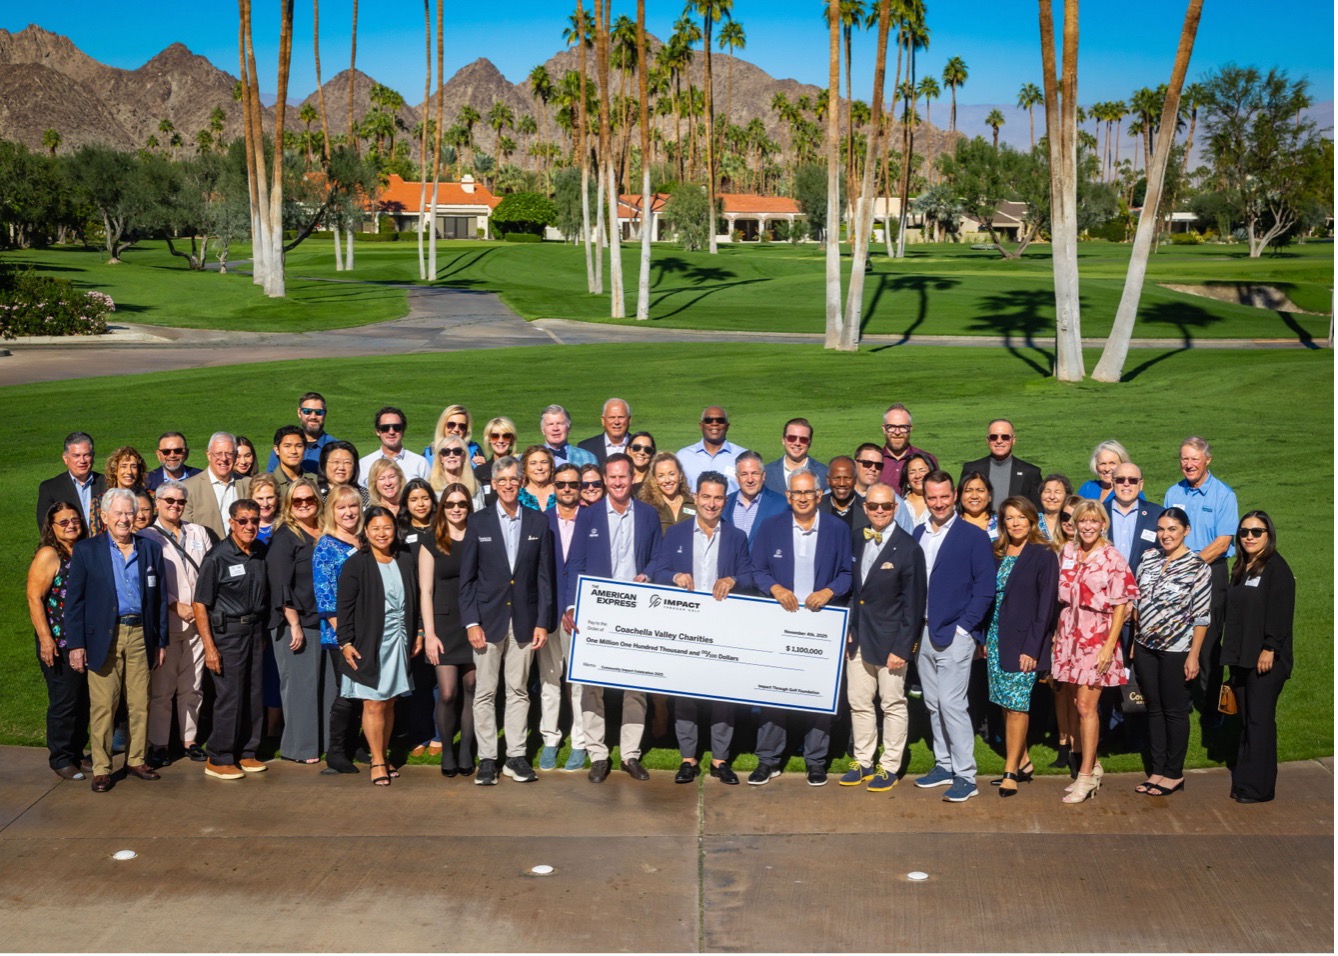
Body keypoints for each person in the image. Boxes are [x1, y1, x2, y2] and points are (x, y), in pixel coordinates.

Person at [647, 471, 756, 786]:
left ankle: (720, 760)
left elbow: (749, 575)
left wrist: (733, 580)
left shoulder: (736, 537)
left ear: (725, 500)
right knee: (686, 694)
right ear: (696, 496)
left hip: (723, 626)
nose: (711, 503)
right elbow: (659, 571)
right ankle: (688, 759)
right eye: (706, 496)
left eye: (718, 497)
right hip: (686, 625)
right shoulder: (678, 534)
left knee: (723, 694)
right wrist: (674, 577)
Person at [564, 453, 663, 783]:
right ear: (605, 480)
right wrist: (571, 606)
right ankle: (598, 753)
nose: (619, 482)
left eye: (624, 476)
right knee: (593, 684)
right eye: (612, 477)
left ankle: (631, 754)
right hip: (596, 612)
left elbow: (657, 559)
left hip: (636, 611)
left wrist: (648, 575)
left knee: (635, 684)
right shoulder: (588, 516)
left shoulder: (648, 515)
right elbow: (574, 563)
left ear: (633, 477)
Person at [749, 470, 852, 786]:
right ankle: (768, 759)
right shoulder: (771, 527)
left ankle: (816, 761)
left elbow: (848, 573)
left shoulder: (836, 529)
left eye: (809, 493)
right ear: (789, 497)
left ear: (819, 495)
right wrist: (776, 589)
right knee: (774, 691)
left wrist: (828, 591)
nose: (803, 498)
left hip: (821, 622)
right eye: (797, 493)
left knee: (818, 693)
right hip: (781, 621)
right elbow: (757, 570)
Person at [63, 488, 170, 793]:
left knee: (140, 703)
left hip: (140, 634)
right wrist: (77, 645)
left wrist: (161, 640)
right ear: (105, 516)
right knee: (104, 706)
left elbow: (159, 598)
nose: (124, 519)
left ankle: (136, 760)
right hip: (103, 638)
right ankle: (102, 768)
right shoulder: (87, 551)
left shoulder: (149, 549)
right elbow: (75, 603)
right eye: (119, 513)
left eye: (129, 513)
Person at [460, 456, 555, 786]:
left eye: (514, 480)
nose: (509, 485)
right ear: (495, 485)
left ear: (521, 481)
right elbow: (467, 579)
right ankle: (488, 758)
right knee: (485, 691)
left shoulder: (538, 522)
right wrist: (471, 621)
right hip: (487, 621)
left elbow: (545, 579)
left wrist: (543, 621)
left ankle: (515, 756)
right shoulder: (479, 522)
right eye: (503, 481)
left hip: (525, 620)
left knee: (518, 690)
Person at [911, 471, 995, 804]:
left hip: (955, 633)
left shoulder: (972, 536)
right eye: (932, 498)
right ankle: (944, 765)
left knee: (952, 704)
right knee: (933, 704)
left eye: (945, 496)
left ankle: (965, 775)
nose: (939, 503)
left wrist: (965, 629)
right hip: (924, 632)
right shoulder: (918, 533)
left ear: (955, 494)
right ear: (925, 497)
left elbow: (985, 588)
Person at [840, 484, 926, 792]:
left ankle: (889, 765)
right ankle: (863, 760)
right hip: (859, 638)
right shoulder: (856, 539)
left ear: (895, 508)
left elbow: (914, 605)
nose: (879, 511)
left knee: (892, 703)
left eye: (886, 507)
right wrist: (849, 629)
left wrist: (903, 648)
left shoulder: (908, 549)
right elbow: (854, 592)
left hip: (891, 643)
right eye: (874, 506)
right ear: (864, 507)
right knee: (859, 702)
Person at [1053, 499, 1139, 804]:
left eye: (1094, 521)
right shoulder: (1067, 553)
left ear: (1103, 524)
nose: (1088, 526)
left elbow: (1121, 607)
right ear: (1074, 524)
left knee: (1087, 707)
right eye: (1082, 521)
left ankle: (1086, 776)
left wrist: (1108, 647)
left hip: (1097, 638)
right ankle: (1095, 765)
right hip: (1069, 635)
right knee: (1077, 702)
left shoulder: (1113, 558)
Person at [335, 507, 421, 787]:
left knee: (390, 700)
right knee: (373, 703)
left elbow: (417, 599)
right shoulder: (356, 563)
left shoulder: (405, 559)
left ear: (395, 530)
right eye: (375, 528)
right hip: (369, 643)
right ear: (366, 531)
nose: (382, 533)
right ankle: (377, 760)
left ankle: (382, 753)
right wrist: (345, 642)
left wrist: (418, 631)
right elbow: (344, 607)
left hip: (399, 640)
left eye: (387, 527)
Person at [1130, 507, 1211, 798]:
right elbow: (1137, 603)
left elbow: (1202, 616)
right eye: (1162, 529)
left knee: (1174, 711)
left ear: (1185, 531)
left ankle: (1173, 773)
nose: (1166, 535)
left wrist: (1193, 655)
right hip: (1145, 647)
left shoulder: (1197, 566)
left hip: (1177, 650)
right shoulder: (1148, 558)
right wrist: (1134, 641)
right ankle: (1157, 769)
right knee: (1153, 709)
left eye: (1172, 529)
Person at [193, 499, 271, 781]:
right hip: (227, 634)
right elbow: (200, 604)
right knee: (230, 696)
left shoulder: (261, 551)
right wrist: (210, 647)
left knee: (253, 693)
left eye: (255, 520)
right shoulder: (217, 557)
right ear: (232, 523)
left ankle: (247, 752)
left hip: (254, 630)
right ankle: (219, 756)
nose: (250, 526)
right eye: (244, 521)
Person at [985, 497, 1058, 797]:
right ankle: (1024, 760)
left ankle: (1010, 771)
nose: (1015, 523)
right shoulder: (996, 553)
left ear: (1032, 521)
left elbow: (1046, 608)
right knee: (1004, 703)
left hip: (1024, 643)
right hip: (995, 638)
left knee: (1017, 706)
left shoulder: (1044, 555)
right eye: (1009, 518)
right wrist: (983, 639)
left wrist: (1032, 648)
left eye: (1021, 517)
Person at [1163, 436, 1238, 728]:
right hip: (1178, 573)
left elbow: (1222, 543)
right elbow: (1167, 533)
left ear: (1207, 460)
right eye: (1184, 458)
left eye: (1194, 458)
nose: (1188, 464)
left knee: (1207, 641)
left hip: (1210, 572)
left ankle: (1210, 708)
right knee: (1177, 636)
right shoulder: (1173, 492)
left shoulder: (1223, 495)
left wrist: (1189, 565)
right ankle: (1181, 697)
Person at [1221, 511, 1294, 805]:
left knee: (1260, 722)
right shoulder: (1242, 567)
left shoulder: (1277, 568)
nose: (1249, 536)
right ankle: (1245, 781)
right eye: (1244, 531)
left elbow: (1280, 610)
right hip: (1242, 658)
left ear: (1268, 534)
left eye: (1256, 531)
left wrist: (1270, 647)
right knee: (1247, 721)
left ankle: (1259, 788)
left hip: (1265, 659)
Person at [140, 481, 213, 768]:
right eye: (169, 500)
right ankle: (158, 743)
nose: (175, 505)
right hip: (166, 624)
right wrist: (174, 604)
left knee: (193, 685)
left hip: (198, 622)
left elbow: (208, 573)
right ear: (156, 502)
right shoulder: (146, 537)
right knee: (162, 689)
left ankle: (189, 740)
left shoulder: (198, 532)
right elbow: (149, 580)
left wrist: (199, 607)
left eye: (180, 501)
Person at [266, 478, 335, 765]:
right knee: (301, 686)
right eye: (298, 501)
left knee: (329, 686)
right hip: (296, 621)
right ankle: (299, 747)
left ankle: (329, 743)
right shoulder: (285, 535)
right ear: (288, 504)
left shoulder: (325, 530)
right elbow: (280, 584)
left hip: (324, 620)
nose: (304, 504)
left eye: (309, 499)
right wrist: (293, 623)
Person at [27, 501, 90, 780]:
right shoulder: (49, 554)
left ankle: (77, 753)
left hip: (84, 639)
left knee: (83, 699)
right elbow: (34, 597)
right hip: (58, 640)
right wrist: (45, 639)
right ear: (51, 527)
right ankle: (61, 757)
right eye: (63, 522)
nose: (71, 525)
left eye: (74, 520)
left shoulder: (85, 550)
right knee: (65, 700)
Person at [419, 483, 478, 777]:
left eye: (462, 504)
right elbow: (425, 591)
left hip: (473, 622)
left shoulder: (480, 538)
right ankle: (448, 750)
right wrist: (429, 634)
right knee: (446, 692)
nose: (457, 509)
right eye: (451, 504)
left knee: (471, 688)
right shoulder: (432, 541)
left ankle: (466, 749)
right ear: (442, 508)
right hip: (443, 624)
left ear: (469, 506)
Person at [312, 484, 364, 774]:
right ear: (332, 511)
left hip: (366, 630)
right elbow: (326, 598)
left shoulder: (363, 540)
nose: (348, 512)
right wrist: (345, 637)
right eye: (341, 507)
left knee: (361, 691)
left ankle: (354, 745)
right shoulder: (326, 546)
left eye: (353, 506)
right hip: (340, 634)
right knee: (346, 692)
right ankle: (335, 753)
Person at [540, 465, 588, 772]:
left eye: (573, 484)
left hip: (580, 613)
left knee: (579, 681)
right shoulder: (542, 521)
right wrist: (553, 609)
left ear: (581, 487)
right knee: (549, 679)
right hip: (549, 612)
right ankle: (549, 739)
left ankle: (580, 741)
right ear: (554, 487)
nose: (567, 488)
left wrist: (575, 605)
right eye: (561, 484)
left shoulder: (593, 520)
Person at [1106, 462, 1164, 657]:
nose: (1126, 484)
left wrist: (1136, 601)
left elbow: (1163, 562)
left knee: (1136, 666)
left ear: (1141, 484)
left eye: (1132, 480)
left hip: (1142, 606)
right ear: (1113, 483)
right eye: (1120, 480)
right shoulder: (1097, 513)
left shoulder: (1157, 515)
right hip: (1103, 605)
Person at [181, 432, 253, 540]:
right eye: (218, 453)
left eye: (229, 453)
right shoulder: (188, 488)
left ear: (235, 455)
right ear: (209, 455)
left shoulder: (248, 484)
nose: (223, 458)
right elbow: (185, 531)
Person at [959, 418, 1042, 510]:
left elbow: (1037, 510)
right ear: (987, 440)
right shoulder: (971, 469)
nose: (999, 441)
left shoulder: (1030, 472)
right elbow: (961, 504)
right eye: (994, 437)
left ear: (1013, 440)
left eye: (1005, 437)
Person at [36, 431, 105, 531]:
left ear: (93, 456)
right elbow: (45, 528)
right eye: (76, 456)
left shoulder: (108, 483)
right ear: (65, 458)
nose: (82, 461)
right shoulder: (50, 488)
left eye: (86, 455)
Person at [722, 451, 788, 544]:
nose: (750, 480)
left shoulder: (781, 505)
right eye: (744, 474)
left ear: (763, 476)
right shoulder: (724, 504)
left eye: (754, 473)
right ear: (737, 478)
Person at [678, 405, 747, 494]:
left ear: (727, 426)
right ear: (701, 425)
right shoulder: (683, 457)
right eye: (709, 420)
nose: (714, 423)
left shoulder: (743, 457)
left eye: (720, 420)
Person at [267, 391, 337, 472]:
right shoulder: (283, 445)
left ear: (325, 414)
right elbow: (271, 478)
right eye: (307, 411)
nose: (313, 416)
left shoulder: (335, 448)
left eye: (318, 412)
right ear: (299, 412)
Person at [360, 406, 430, 483]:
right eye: (385, 428)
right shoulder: (364, 464)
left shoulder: (420, 463)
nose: (391, 432)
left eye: (397, 427)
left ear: (403, 430)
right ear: (377, 431)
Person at [878, 403, 937, 491]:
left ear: (910, 428)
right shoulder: (873, 463)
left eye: (903, 427)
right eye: (891, 427)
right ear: (884, 429)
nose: (897, 432)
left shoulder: (927, 460)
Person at [764, 417, 829, 493]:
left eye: (803, 439)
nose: (797, 443)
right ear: (783, 440)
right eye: (792, 438)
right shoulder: (767, 473)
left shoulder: (824, 474)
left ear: (809, 443)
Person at [638, 451, 698, 533]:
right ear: (655, 479)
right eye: (661, 476)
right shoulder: (649, 508)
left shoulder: (694, 503)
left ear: (680, 475)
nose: (667, 480)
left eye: (672, 474)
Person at [429, 435, 485, 510]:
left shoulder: (475, 486)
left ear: (463, 456)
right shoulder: (431, 487)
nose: (451, 455)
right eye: (446, 452)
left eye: (457, 451)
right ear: (441, 458)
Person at [538, 404, 597, 468]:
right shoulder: (531, 459)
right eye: (550, 424)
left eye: (560, 423)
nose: (555, 428)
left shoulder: (587, 458)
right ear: (543, 430)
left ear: (568, 428)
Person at [577, 397, 633, 463]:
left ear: (629, 420)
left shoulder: (641, 447)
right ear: (603, 420)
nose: (616, 422)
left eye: (621, 417)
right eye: (612, 417)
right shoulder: (585, 448)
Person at [474, 416, 517, 501]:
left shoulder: (520, 468)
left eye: (506, 436)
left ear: (512, 440)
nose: (501, 440)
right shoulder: (480, 472)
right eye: (495, 436)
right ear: (489, 439)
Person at [270, 425, 312, 495]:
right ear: (277, 450)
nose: (293, 451)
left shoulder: (316, 480)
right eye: (287, 446)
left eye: (299, 446)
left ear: (305, 449)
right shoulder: (268, 483)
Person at [957, 471, 998, 541]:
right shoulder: (951, 524)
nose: (974, 496)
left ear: (989, 496)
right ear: (960, 495)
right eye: (968, 491)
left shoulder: (1002, 524)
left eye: (980, 491)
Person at [897, 453, 934, 529]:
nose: (918, 476)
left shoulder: (940, 503)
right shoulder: (900, 505)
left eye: (922, 470)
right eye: (912, 472)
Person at [398, 478, 437, 548]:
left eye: (425, 498)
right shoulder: (400, 530)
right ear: (406, 503)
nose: (421, 504)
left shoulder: (442, 526)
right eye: (414, 500)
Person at [517, 445, 558, 512]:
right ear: (525, 467)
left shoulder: (561, 492)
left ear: (551, 466)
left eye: (544, 462)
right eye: (533, 463)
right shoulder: (518, 496)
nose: (539, 468)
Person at [1038, 474, 1073, 541]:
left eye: (1057, 492)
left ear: (1067, 496)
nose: (1052, 497)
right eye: (1047, 491)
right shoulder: (1032, 521)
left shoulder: (1073, 522)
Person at [250, 474, 281, 544]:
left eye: (270, 498)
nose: (265, 504)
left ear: (277, 498)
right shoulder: (244, 526)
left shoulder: (286, 524)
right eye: (260, 498)